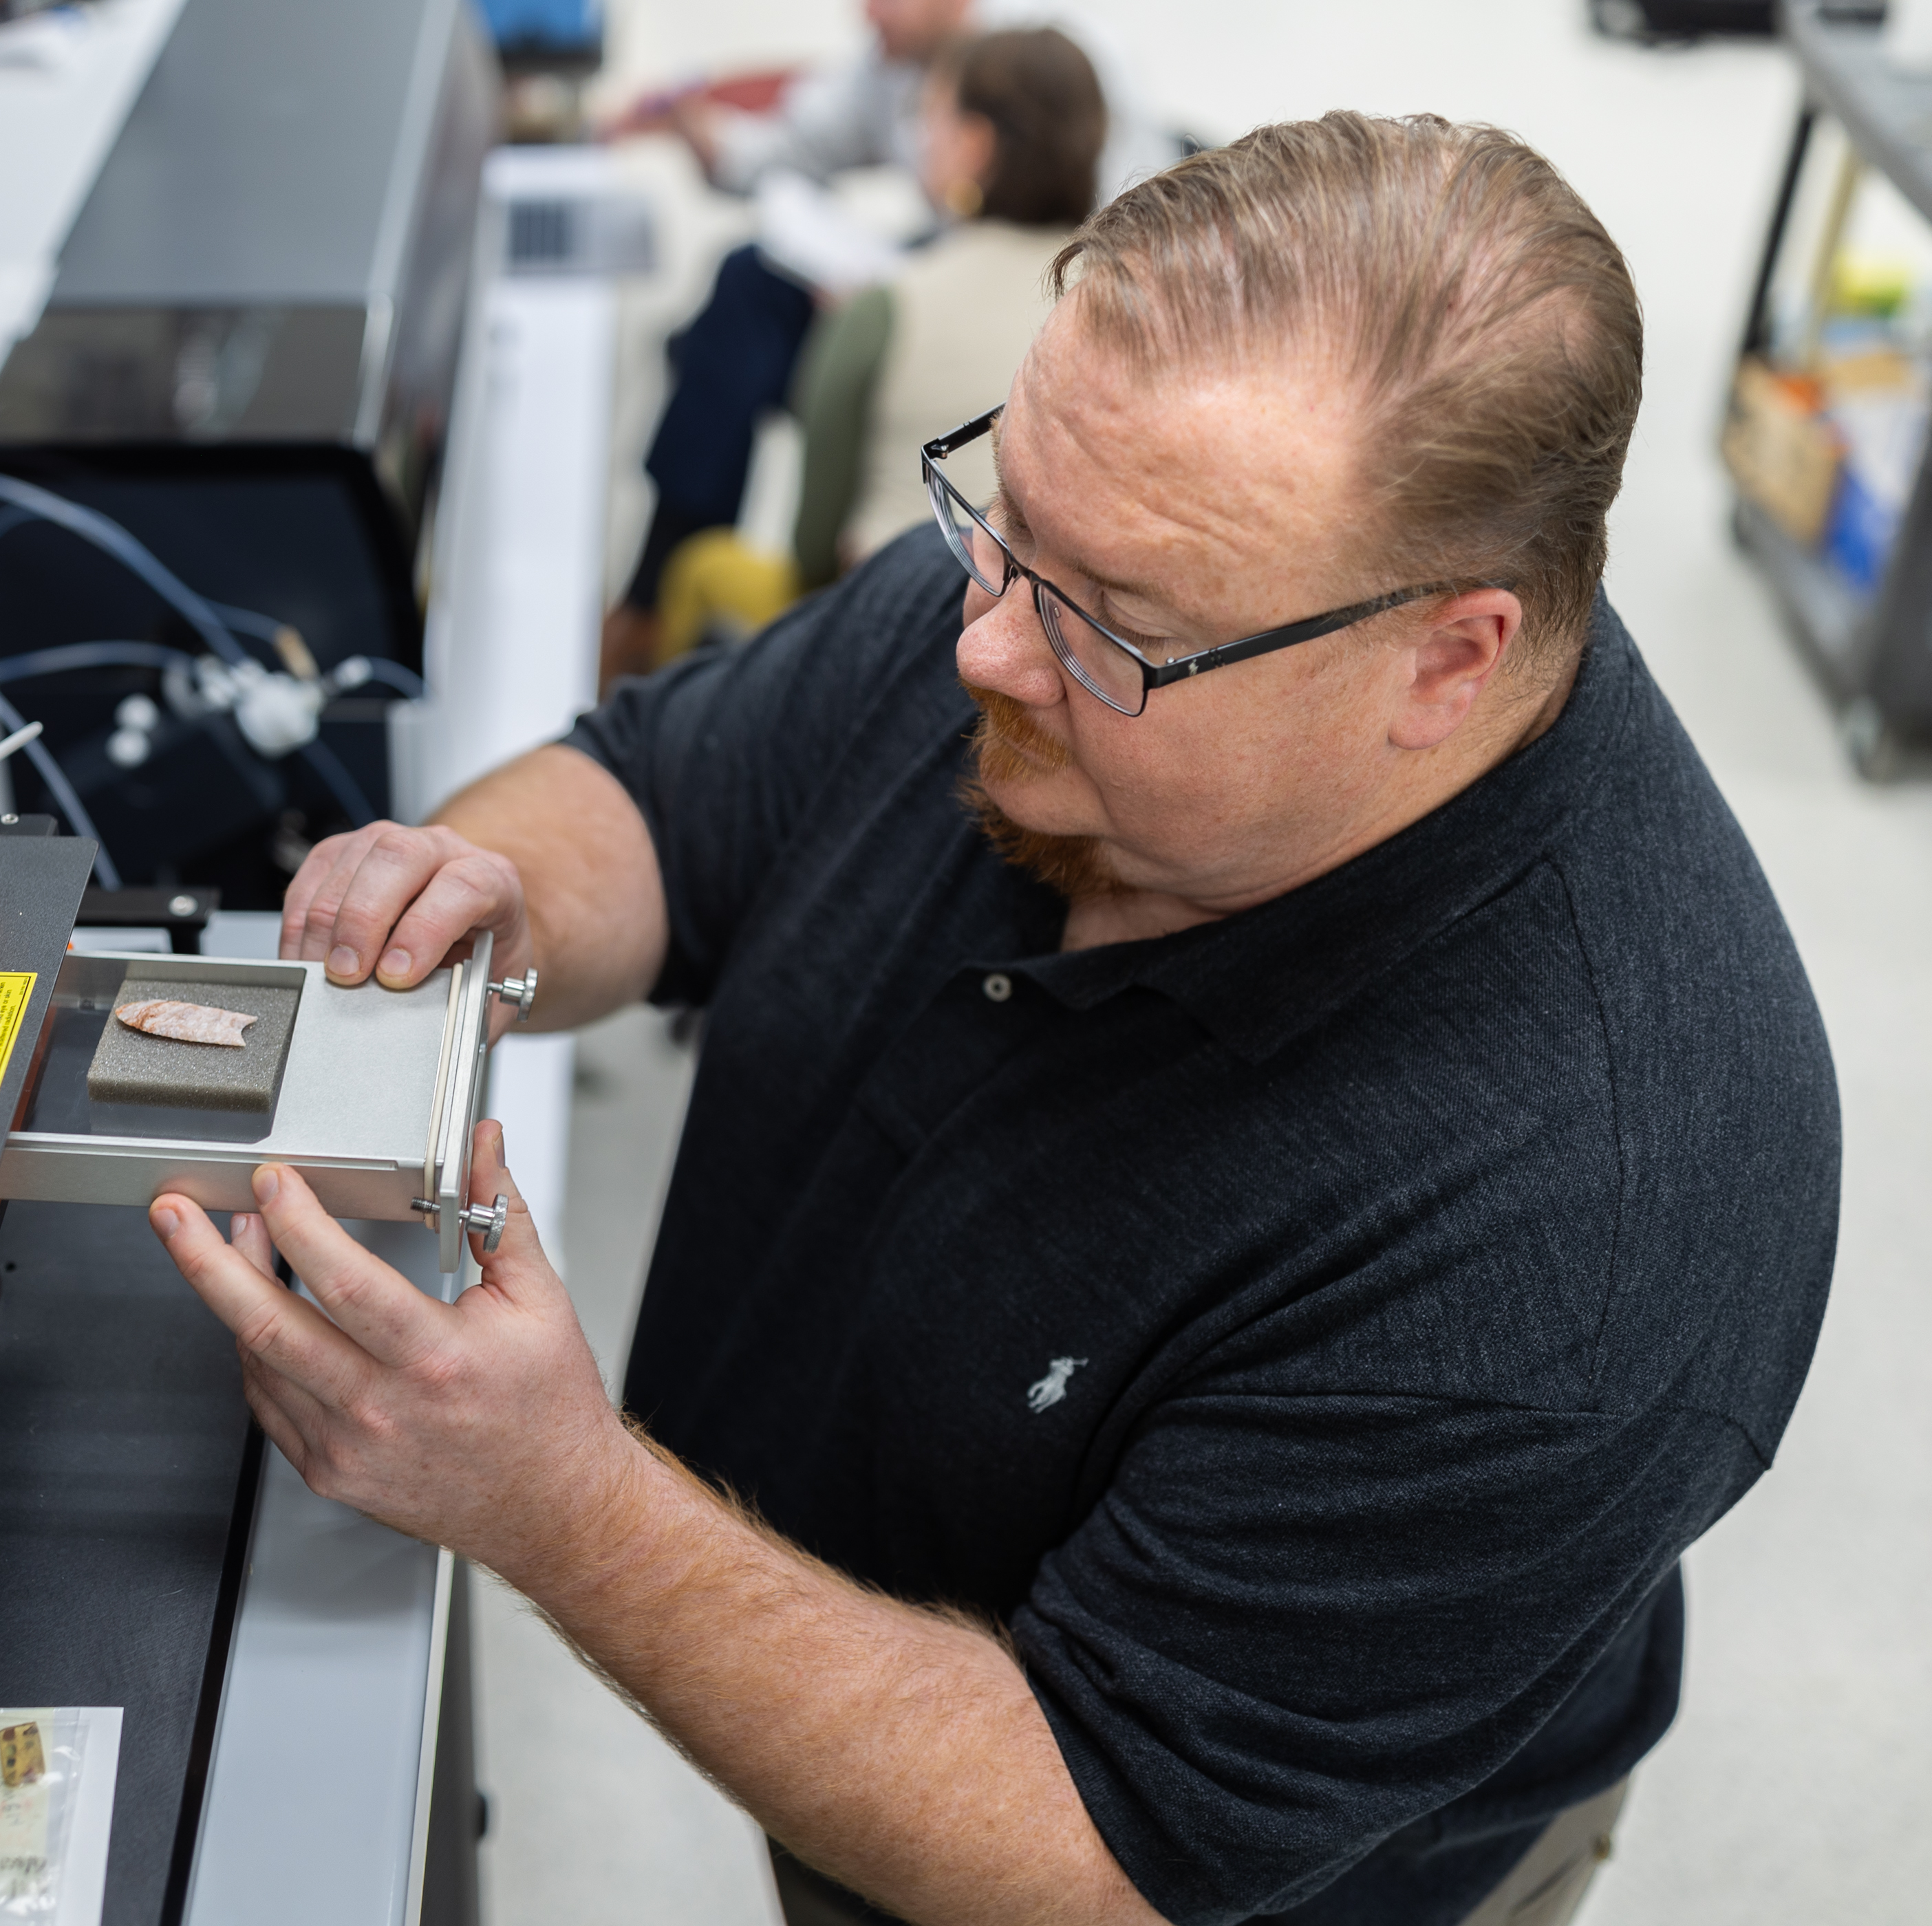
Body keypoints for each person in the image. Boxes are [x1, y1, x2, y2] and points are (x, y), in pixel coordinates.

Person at [147, 112, 1841, 1926]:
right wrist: (487, 899)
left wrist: (561, 1503)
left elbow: (1098, 1847)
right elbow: (664, 798)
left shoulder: (1587, 1232)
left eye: (1108, 620)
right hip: (852, 1673)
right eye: (1007, 514)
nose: (986, 651)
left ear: (1447, 659)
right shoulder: (1078, 583)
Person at [602, 0, 1177, 684]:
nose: (866, 16)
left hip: (1053, 301)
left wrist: (899, 301)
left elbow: (1144, 231)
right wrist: (691, 128)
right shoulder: (884, 72)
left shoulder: (1076, 62)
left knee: (756, 334)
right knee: (747, 287)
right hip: (964, 281)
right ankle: (650, 585)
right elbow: (776, 156)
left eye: (932, 126)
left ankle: (659, 623)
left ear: (972, 143)